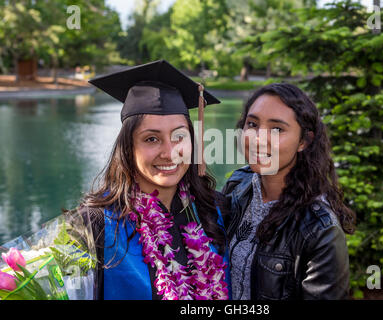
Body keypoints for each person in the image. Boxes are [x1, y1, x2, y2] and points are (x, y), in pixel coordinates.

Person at [73, 60, 230, 300]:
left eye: (179, 136)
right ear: (127, 147)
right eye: (151, 139)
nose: (169, 152)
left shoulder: (215, 209)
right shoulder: (94, 224)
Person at [222, 83, 356, 300]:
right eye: (252, 124)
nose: (258, 138)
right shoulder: (237, 187)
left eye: (277, 129)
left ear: (304, 141)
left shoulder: (320, 230)